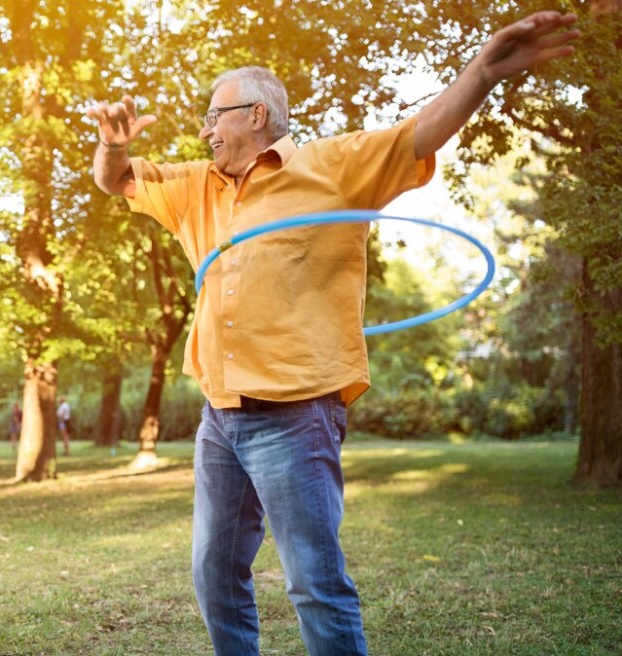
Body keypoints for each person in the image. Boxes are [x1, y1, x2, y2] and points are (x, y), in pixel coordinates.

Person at [87, 12, 578, 656]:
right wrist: (115, 144)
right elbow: (115, 180)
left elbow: (418, 133)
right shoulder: (194, 188)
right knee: (213, 574)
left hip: (296, 414)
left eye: (215, 114)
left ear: (256, 115)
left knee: (314, 582)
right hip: (221, 415)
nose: (205, 128)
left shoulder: (333, 168)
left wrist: (482, 72)